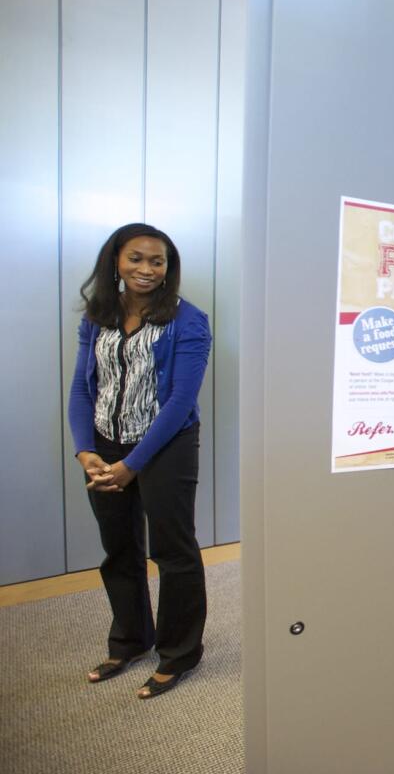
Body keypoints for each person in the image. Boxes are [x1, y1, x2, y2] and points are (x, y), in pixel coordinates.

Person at [67, 223, 212, 699]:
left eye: (158, 261)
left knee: (173, 552)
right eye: (136, 259)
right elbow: (84, 387)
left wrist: (133, 464)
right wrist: (86, 449)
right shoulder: (98, 316)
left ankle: (179, 652)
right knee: (119, 548)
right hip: (106, 445)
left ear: (169, 269)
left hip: (165, 445)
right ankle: (130, 640)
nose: (146, 269)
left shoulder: (188, 321)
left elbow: (180, 400)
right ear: (116, 261)